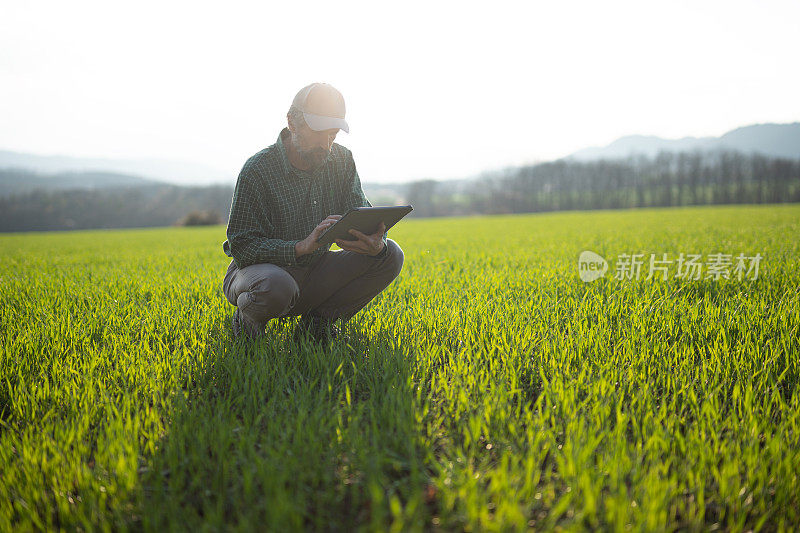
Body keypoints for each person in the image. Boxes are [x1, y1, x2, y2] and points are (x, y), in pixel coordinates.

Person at [221, 83, 404, 342]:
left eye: (332, 134)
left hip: (315, 270)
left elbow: (361, 213)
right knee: (277, 286)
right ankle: (247, 322)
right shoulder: (258, 169)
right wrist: (300, 246)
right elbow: (241, 245)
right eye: (318, 132)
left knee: (390, 255)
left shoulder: (342, 160)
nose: (326, 144)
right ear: (292, 123)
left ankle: (316, 328)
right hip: (259, 275)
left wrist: (375, 243)